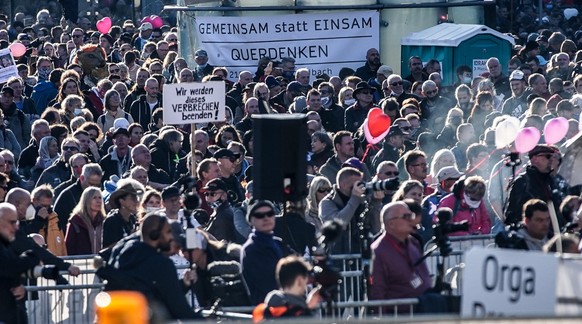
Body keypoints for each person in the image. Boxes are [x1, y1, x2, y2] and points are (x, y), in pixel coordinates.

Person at [105, 213, 202, 319]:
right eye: (168, 232)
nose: (170, 237)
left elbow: (153, 293)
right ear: (155, 235)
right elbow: (180, 310)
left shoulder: (124, 253)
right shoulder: (161, 263)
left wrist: (183, 284)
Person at [370, 201, 431, 302]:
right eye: (406, 216)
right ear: (391, 223)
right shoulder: (378, 252)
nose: (411, 220)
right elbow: (377, 293)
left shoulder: (413, 243)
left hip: (422, 310)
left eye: (411, 215)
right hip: (398, 315)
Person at [319, 167, 382, 254]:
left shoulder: (363, 201)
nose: (360, 187)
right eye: (356, 184)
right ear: (343, 185)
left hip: (362, 257)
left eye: (361, 183)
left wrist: (376, 203)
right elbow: (339, 223)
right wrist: (355, 198)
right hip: (338, 260)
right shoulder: (327, 203)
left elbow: (376, 229)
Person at [241, 200, 290, 305]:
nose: (266, 218)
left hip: (286, 305)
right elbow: (269, 283)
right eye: (259, 215)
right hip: (267, 311)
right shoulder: (250, 249)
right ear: (251, 221)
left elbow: (298, 263)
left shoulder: (278, 242)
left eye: (270, 214)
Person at [0, 203, 42, 324]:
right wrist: (31, 258)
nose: (16, 227)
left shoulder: (6, 246)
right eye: (12, 222)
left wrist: (19, 289)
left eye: (17, 223)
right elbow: (9, 266)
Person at [505, 144, 564, 226]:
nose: (551, 159)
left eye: (552, 156)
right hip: (530, 234)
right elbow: (512, 214)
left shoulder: (552, 181)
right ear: (535, 159)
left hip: (552, 234)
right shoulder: (522, 182)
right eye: (547, 156)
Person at [255, 255, 322, 321]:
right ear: (299, 281)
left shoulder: (268, 309)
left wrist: (306, 306)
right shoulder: (300, 314)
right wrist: (307, 310)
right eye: (306, 281)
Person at [102, 178, 145, 248]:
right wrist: (130, 237)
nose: (136, 202)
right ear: (121, 201)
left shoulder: (132, 219)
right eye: (133, 198)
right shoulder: (112, 220)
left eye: (137, 198)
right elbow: (107, 249)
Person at [65, 186, 106, 255]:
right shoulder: (76, 222)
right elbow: (69, 246)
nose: (98, 201)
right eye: (94, 198)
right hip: (82, 262)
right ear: (86, 200)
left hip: (101, 262)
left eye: (100, 198)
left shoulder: (105, 221)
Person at [203, 178, 242, 243]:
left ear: (224, 195)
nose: (209, 197)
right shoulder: (219, 212)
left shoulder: (223, 216)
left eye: (213, 194)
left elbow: (222, 245)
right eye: (206, 194)